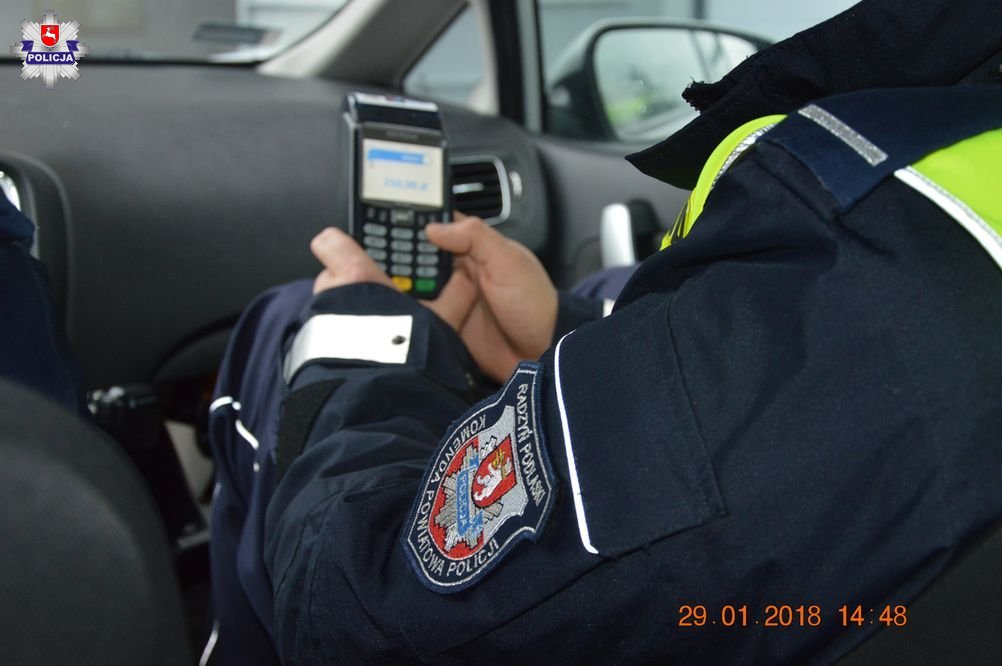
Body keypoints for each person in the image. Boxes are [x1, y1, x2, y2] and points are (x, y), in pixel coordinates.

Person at [205, 0, 1002, 663]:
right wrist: (569, 328)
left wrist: (358, 342)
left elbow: (359, 613)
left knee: (282, 330)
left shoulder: (889, 244)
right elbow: (763, 377)